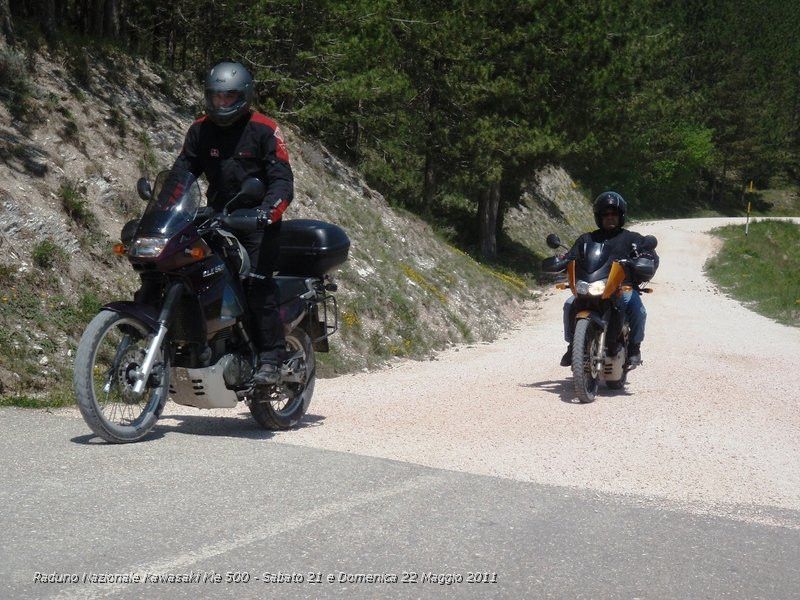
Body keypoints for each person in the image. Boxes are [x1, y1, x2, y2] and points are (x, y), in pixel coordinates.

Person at [172, 60, 294, 385]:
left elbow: (282, 181)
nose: (221, 103)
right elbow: (181, 173)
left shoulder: (264, 129)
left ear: (244, 96)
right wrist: (168, 204)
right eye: (215, 97)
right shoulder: (200, 130)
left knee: (255, 285)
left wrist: (268, 212)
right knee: (190, 274)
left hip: (257, 224)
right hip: (216, 219)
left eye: (228, 97)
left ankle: (271, 359)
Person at [559, 191, 658, 368]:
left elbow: (649, 254)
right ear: (599, 217)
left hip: (622, 286)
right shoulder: (587, 239)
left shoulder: (632, 238)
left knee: (637, 309)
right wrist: (561, 260)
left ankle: (634, 348)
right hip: (592, 284)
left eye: (614, 214)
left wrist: (645, 257)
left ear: (621, 216)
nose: (610, 217)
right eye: (606, 214)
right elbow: (571, 255)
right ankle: (573, 346)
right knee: (569, 304)